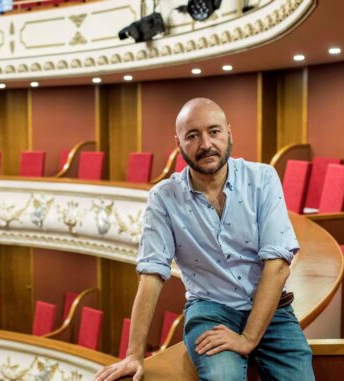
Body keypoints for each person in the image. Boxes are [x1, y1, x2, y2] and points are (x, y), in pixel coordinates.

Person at [94, 98, 314, 381]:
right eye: (193, 136)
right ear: (178, 143)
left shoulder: (262, 178)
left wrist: (247, 338)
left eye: (214, 132)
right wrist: (134, 354)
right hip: (210, 311)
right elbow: (151, 274)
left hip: (271, 308)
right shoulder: (164, 197)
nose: (206, 144)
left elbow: (278, 264)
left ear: (229, 133)